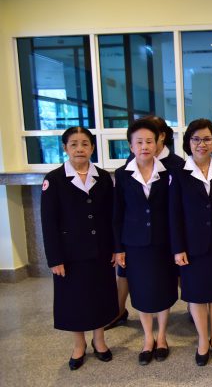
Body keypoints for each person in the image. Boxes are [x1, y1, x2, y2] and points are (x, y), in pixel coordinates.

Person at [40, 127, 118, 370]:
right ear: (65, 148)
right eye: (73, 144)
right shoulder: (54, 180)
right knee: (74, 299)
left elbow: (112, 216)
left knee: (100, 295)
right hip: (70, 254)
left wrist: (115, 247)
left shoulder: (103, 177)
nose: (79, 149)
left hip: (101, 250)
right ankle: (79, 344)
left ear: (92, 148)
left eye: (85, 144)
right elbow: (48, 222)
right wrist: (54, 258)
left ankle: (99, 340)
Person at [170, 119, 212, 366]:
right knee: (197, 295)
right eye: (196, 139)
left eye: (207, 139)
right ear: (188, 142)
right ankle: (202, 340)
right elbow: (174, 213)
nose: (202, 144)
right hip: (192, 246)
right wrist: (178, 247)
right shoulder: (178, 173)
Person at [107, 115, 184, 330]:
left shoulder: (170, 172)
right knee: (140, 289)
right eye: (139, 142)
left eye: (149, 141)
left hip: (163, 242)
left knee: (164, 288)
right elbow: (118, 213)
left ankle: (162, 336)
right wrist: (118, 248)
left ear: (158, 142)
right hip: (135, 243)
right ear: (131, 146)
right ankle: (148, 337)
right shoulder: (123, 174)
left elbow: (175, 210)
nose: (144, 146)